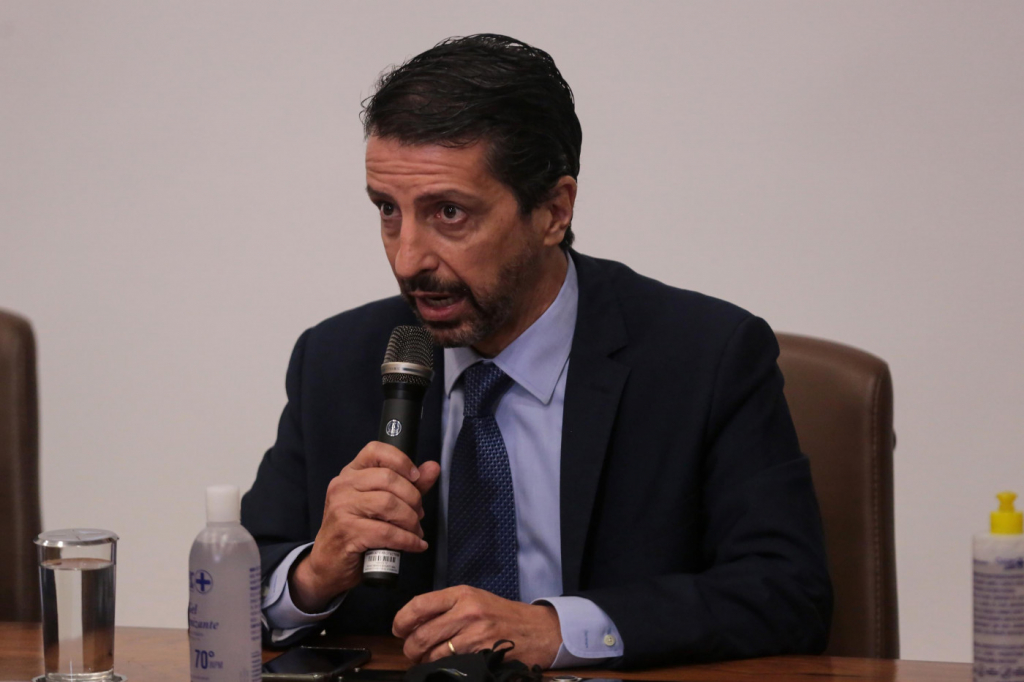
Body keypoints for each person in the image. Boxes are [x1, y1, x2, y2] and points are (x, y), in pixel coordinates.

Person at [241, 34, 832, 670]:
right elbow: (241, 578)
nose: (408, 258)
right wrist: (315, 575)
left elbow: (787, 593)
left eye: (449, 213)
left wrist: (557, 629)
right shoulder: (337, 359)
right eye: (388, 209)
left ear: (553, 211)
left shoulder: (705, 356)